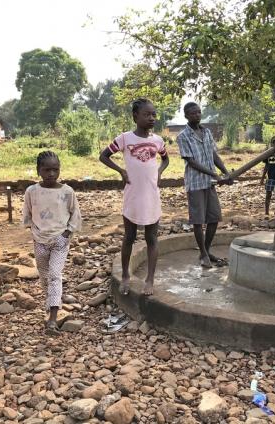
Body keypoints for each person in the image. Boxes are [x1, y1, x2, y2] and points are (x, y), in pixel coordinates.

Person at [99, 98, 169, 296]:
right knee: (129, 237)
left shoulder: (157, 141)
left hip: (152, 195)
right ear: (135, 116)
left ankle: (150, 279)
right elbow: (104, 156)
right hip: (133, 195)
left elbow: (166, 159)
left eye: (154, 114)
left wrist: (160, 172)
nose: (151, 118)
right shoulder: (125, 138)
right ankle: (126, 276)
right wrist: (121, 171)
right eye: (147, 114)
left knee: (152, 238)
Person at [23, 151, 82, 335]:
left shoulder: (67, 192)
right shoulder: (32, 191)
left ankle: (52, 319)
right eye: (46, 170)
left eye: (55, 170)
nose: (51, 174)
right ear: (38, 170)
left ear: (59, 170)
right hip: (40, 240)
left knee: (55, 275)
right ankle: (52, 301)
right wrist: (33, 231)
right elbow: (27, 214)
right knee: (44, 275)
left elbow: (75, 214)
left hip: (60, 241)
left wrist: (66, 234)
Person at [177, 102, 232, 268]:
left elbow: (214, 155)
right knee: (198, 221)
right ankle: (203, 254)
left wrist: (225, 172)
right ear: (186, 116)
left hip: (210, 183)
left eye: (199, 112)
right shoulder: (183, 136)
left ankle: (205, 252)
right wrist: (213, 173)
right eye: (193, 113)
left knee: (214, 218)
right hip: (195, 183)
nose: (197, 115)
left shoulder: (207, 132)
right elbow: (191, 162)